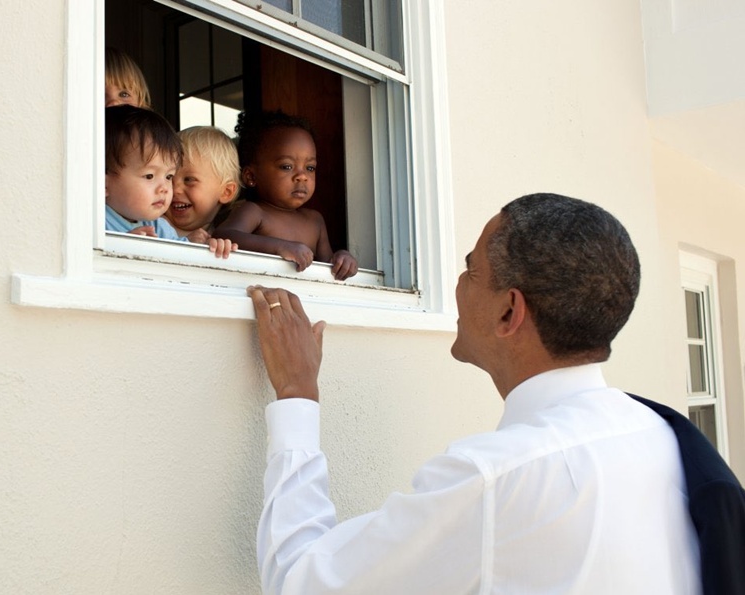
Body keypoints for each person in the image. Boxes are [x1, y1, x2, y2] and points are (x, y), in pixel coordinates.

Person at [247, 193, 700, 594]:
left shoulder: (495, 480)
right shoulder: (661, 435)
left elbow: (299, 582)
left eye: (471, 270)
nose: (459, 285)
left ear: (509, 312)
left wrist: (296, 393)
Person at [214, 110, 358, 280]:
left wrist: (342, 259)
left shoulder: (315, 221)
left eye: (310, 168)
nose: (302, 176)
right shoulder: (254, 211)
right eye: (287, 166)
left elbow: (328, 266)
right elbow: (223, 235)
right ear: (251, 176)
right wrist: (279, 247)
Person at [105, 105, 235, 258]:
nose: (166, 188)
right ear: (103, 184)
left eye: (168, 177)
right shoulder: (92, 221)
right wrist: (120, 247)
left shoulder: (159, 227)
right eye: (149, 176)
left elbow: (183, 261)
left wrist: (208, 249)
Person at [166, 126, 241, 244]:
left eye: (189, 180)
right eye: (169, 177)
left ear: (226, 192)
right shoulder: (148, 225)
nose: (175, 189)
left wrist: (220, 251)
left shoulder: (218, 240)